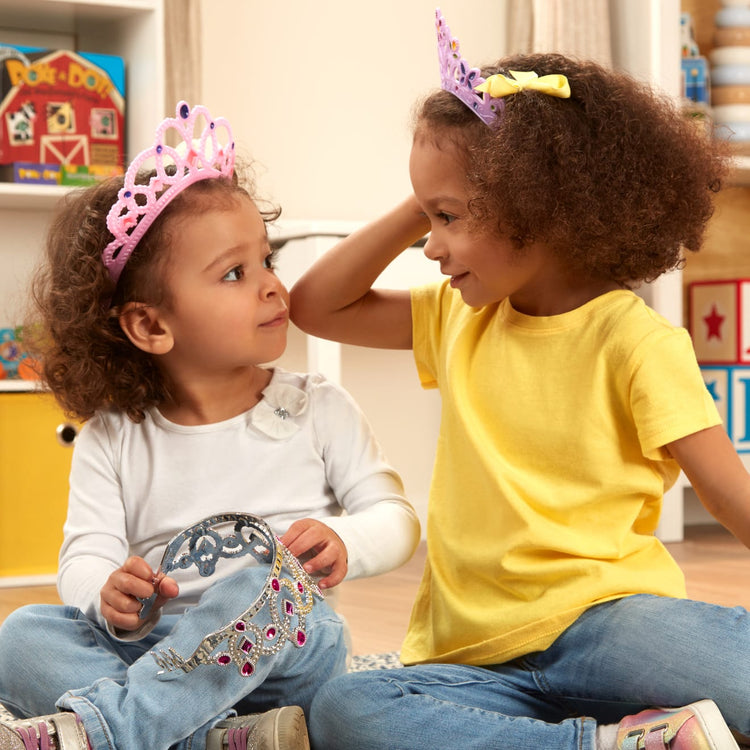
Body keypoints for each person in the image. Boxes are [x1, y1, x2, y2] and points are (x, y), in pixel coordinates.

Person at [289, 10, 750, 750]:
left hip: (612, 626)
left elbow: (729, 494)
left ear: (540, 205)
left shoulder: (634, 341)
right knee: (349, 707)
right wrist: (432, 192)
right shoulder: (455, 318)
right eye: (426, 219)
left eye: (447, 218)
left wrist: (473, 179)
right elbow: (314, 305)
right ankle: (605, 742)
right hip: (477, 661)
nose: (431, 246)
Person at [0, 101, 420, 750]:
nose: (272, 288)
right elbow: (85, 553)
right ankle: (216, 737)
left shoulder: (318, 408)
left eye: (267, 261)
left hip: (280, 649)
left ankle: (112, 729)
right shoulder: (114, 437)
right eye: (234, 273)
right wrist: (105, 590)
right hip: (152, 649)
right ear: (150, 325)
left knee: (274, 592)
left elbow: (395, 516)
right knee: (23, 635)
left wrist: (344, 541)